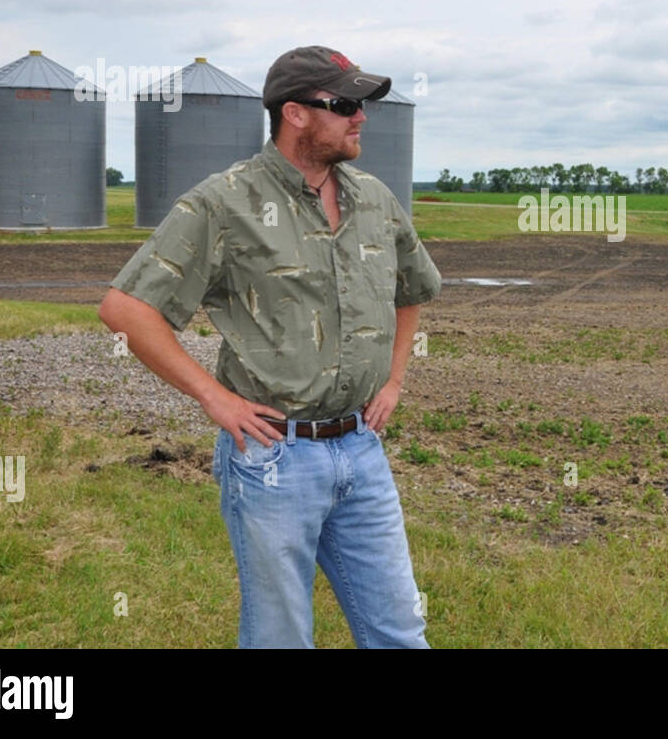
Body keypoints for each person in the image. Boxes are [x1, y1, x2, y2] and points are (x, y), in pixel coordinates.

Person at [99, 45, 441, 648]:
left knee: (399, 628)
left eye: (360, 104)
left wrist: (393, 381)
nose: (360, 116)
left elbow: (412, 288)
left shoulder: (375, 201)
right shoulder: (223, 202)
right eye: (343, 104)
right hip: (273, 457)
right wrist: (214, 398)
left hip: (362, 449)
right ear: (296, 114)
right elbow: (126, 308)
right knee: (280, 634)